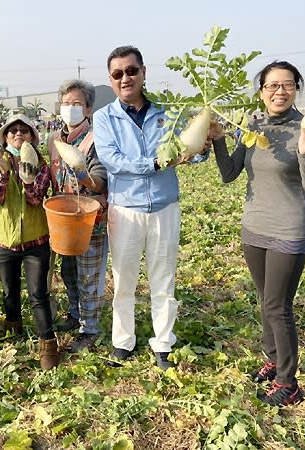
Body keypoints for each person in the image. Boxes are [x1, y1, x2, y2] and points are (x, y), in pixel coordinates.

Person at [209, 61, 305, 406]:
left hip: (289, 230)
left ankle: (289, 383)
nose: (280, 91)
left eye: (287, 85)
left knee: (278, 305)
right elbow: (230, 173)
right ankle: (273, 359)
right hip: (254, 229)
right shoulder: (252, 124)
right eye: (272, 85)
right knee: (267, 302)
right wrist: (217, 141)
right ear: (261, 91)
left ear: (296, 89)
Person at [93, 46, 196, 370]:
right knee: (124, 280)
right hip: (125, 209)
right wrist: (154, 162)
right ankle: (123, 342)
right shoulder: (103, 118)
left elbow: (190, 152)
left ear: (143, 72)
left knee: (163, 279)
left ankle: (163, 343)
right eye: (118, 74)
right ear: (111, 80)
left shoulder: (169, 113)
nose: (126, 78)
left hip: (165, 206)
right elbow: (113, 161)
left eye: (131, 71)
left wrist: (201, 147)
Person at [0, 114, 59, 370]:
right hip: (4, 240)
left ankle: (48, 342)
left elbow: (36, 198)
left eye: (24, 131)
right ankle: (13, 326)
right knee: (9, 291)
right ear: (5, 137)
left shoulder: (40, 164)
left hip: (35, 239)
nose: (18, 134)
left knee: (38, 293)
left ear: (32, 136)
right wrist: (6, 175)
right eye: (13, 131)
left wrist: (26, 178)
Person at [47, 79, 108, 353]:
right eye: (66, 103)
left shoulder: (97, 140)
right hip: (63, 218)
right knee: (68, 271)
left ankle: (90, 328)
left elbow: (100, 178)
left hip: (89, 219)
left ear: (88, 108)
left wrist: (84, 175)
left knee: (89, 276)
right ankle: (74, 313)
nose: (70, 108)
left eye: (77, 104)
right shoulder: (55, 141)